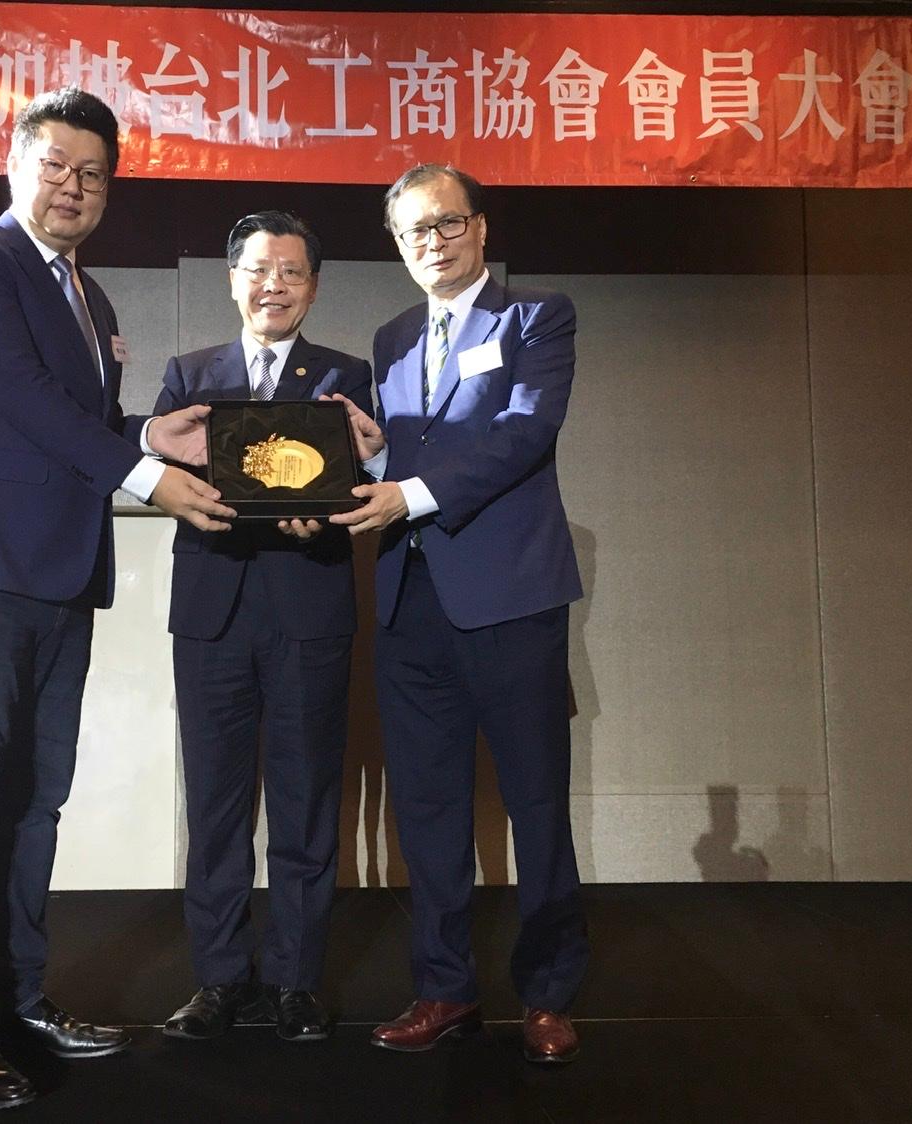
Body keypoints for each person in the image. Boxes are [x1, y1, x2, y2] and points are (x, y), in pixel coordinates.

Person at [0, 86, 235, 1110]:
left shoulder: (92, 299)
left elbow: (76, 415)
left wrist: (146, 435)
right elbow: (14, 396)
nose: (73, 187)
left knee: (35, 798)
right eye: (55, 166)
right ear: (15, 164)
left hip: (57, 572)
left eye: (92, 173)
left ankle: (16, 999)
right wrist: (144, 477)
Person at [329, 164, 589, 1063]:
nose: (430, 244)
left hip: (511, 597)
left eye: (444, 225)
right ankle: (443, 989)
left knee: (535, 804)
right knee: (429, 807)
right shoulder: (392, 336)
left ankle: (549, 996)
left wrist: (410, 492)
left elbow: (525, 434)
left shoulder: (535, 316)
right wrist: (360, 462)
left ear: (479, 227)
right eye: (412, 233)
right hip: (410, 600)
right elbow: (395, 457)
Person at [156, 211, 372, 1043]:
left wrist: (328, 512)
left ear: (313, 286)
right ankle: (218, 981)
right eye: (257, 268)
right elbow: (162, 474)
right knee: (214, 803)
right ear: (232, 279)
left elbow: (358, 481)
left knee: (306, 797)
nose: (272, 284)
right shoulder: (189, 374)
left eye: (290, 271)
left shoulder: (345, 374)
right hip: (211, 614)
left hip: (310, 607)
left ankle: (295, 980)